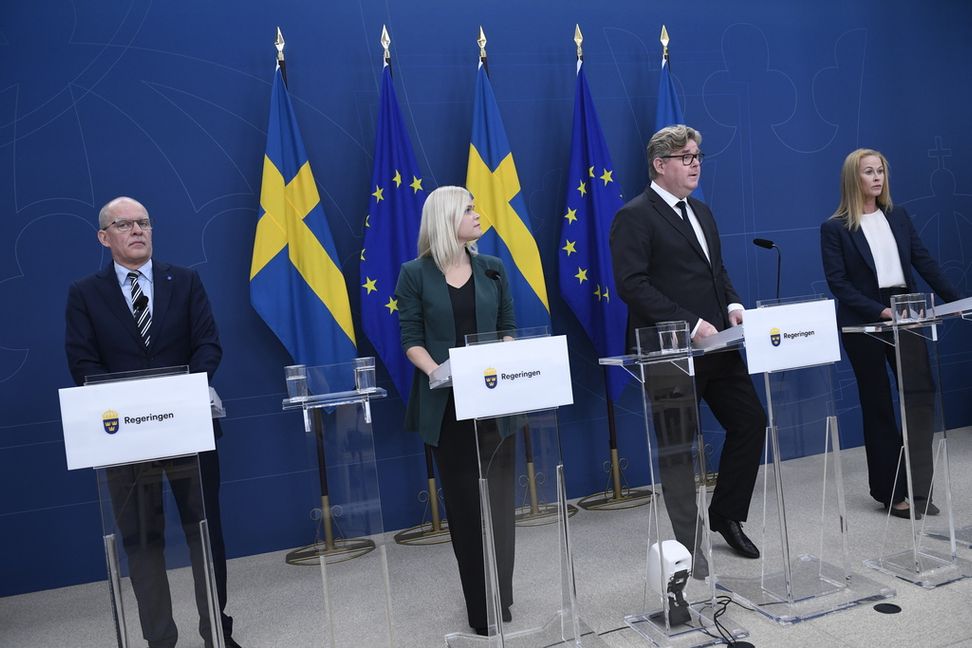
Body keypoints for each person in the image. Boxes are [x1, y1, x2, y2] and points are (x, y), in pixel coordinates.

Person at [65, 197, 242, 648]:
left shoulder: (184, 281)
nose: (137, 230)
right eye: (124, 224)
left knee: (205, 533)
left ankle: (216, 631)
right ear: (104, 237)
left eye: (143, 222)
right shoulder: (85, 293)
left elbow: (207, 345)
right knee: (142, 540)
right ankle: (159, 638)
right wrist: (130, 403)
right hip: (124, 439)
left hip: (189, 428)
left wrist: (179, 395)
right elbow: (83, 362)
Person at [610, 125, 767, 563]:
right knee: (679, 448)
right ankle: (689, 546)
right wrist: (691, 323)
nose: (695, 164)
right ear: (660, 165)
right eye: (686, 157)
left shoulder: (702, 211)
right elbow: (632, 285)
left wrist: (732, 304)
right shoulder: (634, 216)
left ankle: (726, 516)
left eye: (697, 156)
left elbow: (716, 270)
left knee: (751, 422)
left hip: (717, 345)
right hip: (669, 353)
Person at [395, 186, 516, 635]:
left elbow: (507, 326)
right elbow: (411, 338)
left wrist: (502, 358)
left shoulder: (493, 267)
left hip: (495, 402)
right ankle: (480, 607)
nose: (477, 214)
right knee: (465, 510)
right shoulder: (414, 274)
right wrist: (438, 372)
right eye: (468, 209)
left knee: (500, 507)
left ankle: (502, 596)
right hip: (447, 408)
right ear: (446, 219)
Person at [820, 149, 959, 519]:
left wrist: (959, 301)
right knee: (878, 403)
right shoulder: (835, 228)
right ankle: (891, 492)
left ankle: (920, 488)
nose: (877, 177)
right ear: (854, 179)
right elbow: (839, 283)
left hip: (907, 312)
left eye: (880, 170)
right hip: (865, 321)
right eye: (869, 171)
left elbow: (924, 261)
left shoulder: (898, 216)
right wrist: (879, 310)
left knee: (919, 396)